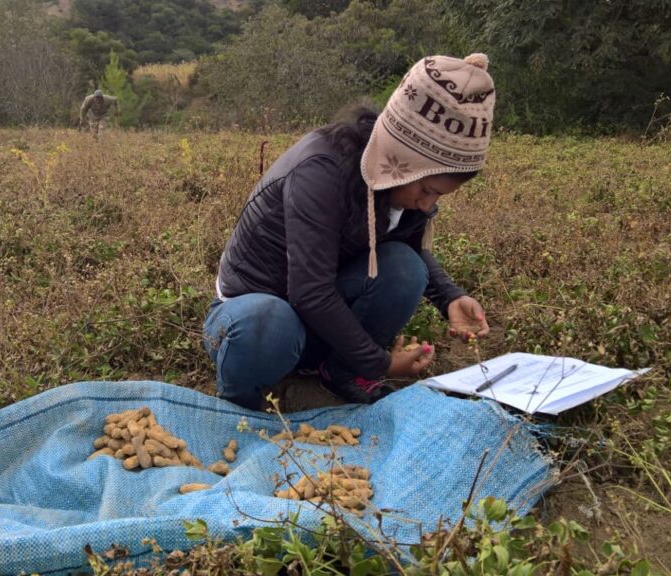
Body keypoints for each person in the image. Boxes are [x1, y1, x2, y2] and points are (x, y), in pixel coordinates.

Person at [203, 54, 496, 410]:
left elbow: (408, 251)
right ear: (400, 158)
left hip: (312, 326)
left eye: (437, 195)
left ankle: (339, 371)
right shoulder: (322, 171)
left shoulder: (399, 185)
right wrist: (382, 363)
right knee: (268, 322)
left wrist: (449, 297)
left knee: (405, 267)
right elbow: (310, 292)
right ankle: (242, 401)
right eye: (427, 190)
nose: (426, 204)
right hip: (248, 321)